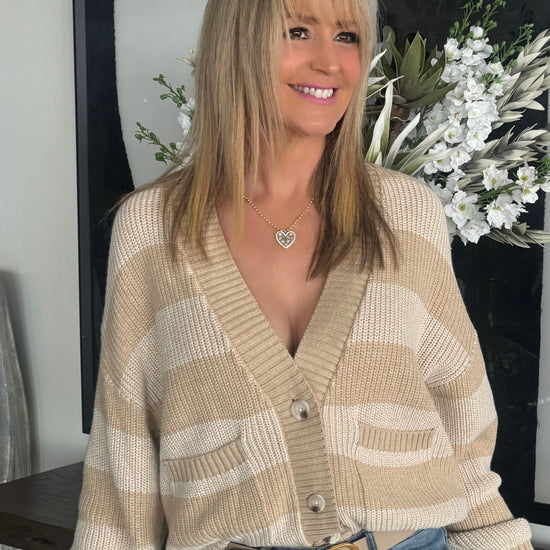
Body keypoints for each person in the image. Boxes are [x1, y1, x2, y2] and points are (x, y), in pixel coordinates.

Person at [70, 1, 534, 549]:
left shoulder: (405, 212)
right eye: (297, 31)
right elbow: (124, 443)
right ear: (235, 46)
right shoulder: (153, 227)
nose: (330, 62)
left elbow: (460, 410)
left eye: (347, 37)